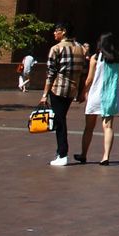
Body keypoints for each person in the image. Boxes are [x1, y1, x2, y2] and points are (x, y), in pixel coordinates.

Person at [76, 32, 119, 165]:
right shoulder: (118, 59)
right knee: (108, 127)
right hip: (111, 95)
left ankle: (83, 154)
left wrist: (82, 93)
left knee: (89, 127)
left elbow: (89, 79)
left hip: (96, 94)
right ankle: (105, 156)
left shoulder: (96, 58)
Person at [40, 24, 82, 165]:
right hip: (72, 90)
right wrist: (81, 92)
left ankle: (62, 154)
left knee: (59, 121)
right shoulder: (80, 48)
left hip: (58, 88)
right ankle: (60, 152)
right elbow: (83, 72)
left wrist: (45, 94)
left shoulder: (56, 49)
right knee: (61, 118)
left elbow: (50, 73)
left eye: (56, 31)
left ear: (63, 32)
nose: (54, 33)